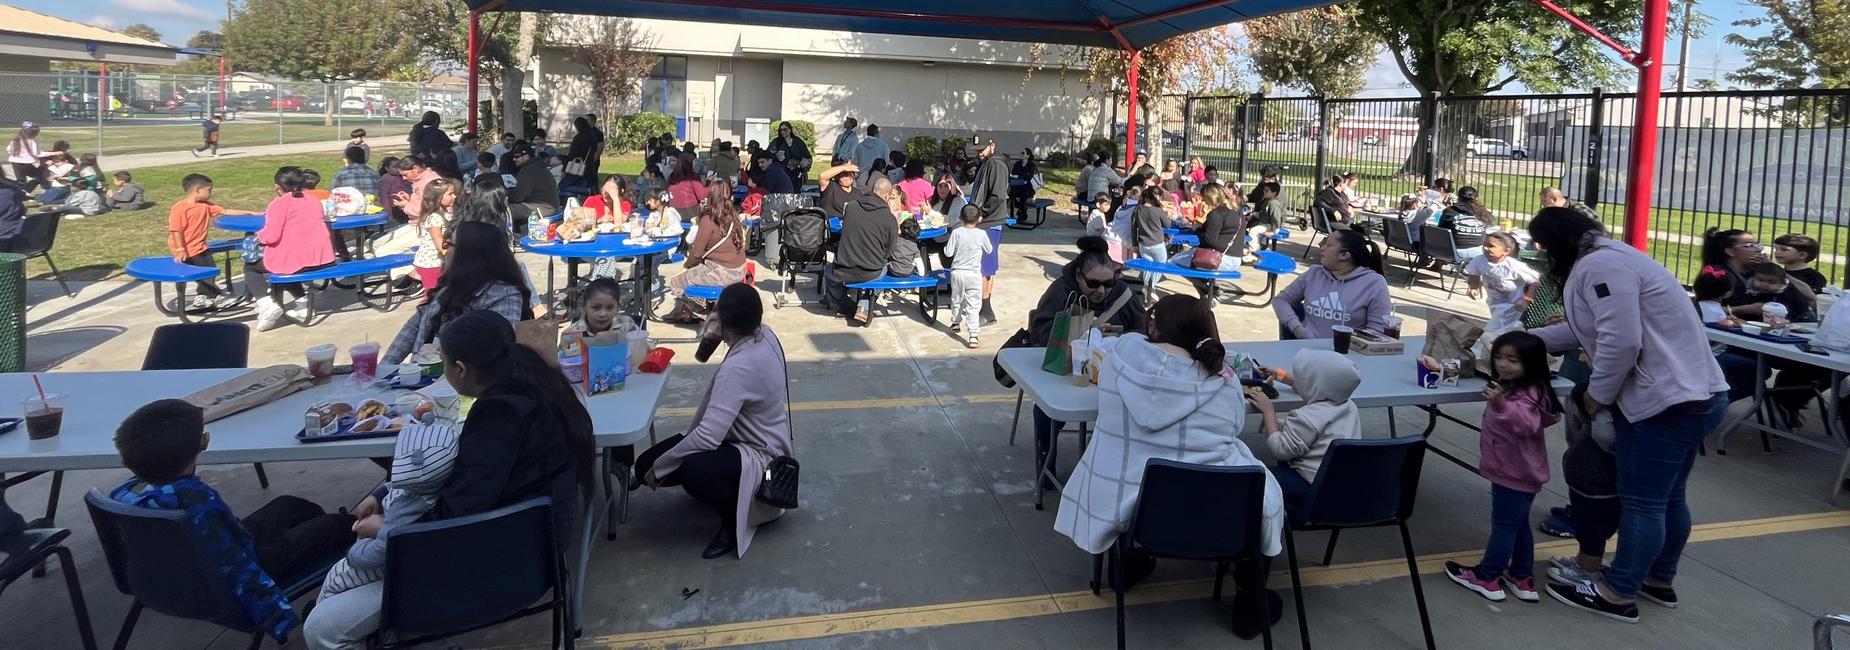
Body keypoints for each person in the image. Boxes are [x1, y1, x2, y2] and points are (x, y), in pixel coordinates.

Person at [307, 310, 592, 648]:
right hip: (531, 555)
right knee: (337, 592)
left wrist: (386, 530)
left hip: (497, 569)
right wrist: (386, 491)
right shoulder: (537, 390)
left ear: (460, 369)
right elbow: (451, 471)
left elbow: (456, 514)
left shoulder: (498, 418)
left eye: (443, 362)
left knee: (321, 627)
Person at [1523, 206, 1728, 623]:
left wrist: (1597, 396)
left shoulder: (1600, 266)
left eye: (1542, 249)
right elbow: (1593, 331)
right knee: (1668, 497)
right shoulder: (1613, 257)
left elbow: (1620, 342)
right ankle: (1657, 577)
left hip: (1664, 403)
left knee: (1643, 503)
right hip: (1696, 395)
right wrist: (1527, 340)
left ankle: (1617, 591)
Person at [1052, 295, 1284, 637]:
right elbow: (1235, 429)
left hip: (1132, 505)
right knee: (1263, 491)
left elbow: (1113, 346)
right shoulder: (1224, 379)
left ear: (1153, 325)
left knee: (1134, 475)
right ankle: (1250, 599)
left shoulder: (1122, 356)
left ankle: (1128, 563)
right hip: (1220, 511)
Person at [112, 399, 354, 644]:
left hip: (176, 570)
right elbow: (241, 570)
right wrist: (274, 614)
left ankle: (321, 554)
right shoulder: (197, 503)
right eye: (203, 440)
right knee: (336, 526)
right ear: (193, 452)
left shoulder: (125, 495)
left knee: (290, 506)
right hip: (227, 580)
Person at [634, 284, 792, 559]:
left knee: (690, 471)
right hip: (743, 436)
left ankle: (732, 521)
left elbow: (708, 437)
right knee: (643, 466)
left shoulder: (739, 367)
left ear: (725, 321)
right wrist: (715, 332)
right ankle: (720, 485)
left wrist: (663, 465)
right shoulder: (763, 334)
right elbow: (703, 356)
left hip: (760, 453)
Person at [1443, 331, 1562, 604]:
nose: (1503, 364)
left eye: (1512, 360)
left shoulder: (1526, 395)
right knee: (1519, 524)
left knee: (1504, 527)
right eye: (1498, 357)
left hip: (1514, 472)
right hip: (1522, 470)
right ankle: (1521, 576)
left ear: (1530, 364)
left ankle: (1487, 575)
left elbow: (1525, 424)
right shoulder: (1531, 388)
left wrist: (1499, 403)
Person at [1027, 237, 1146, 483]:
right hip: (1065, 372)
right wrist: (1083, 334)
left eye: (1108, 284)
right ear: (1079, 276)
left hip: (1112, 376)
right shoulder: (1061, 290)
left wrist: (1121, 335)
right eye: (1093, 284)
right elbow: (1040, 334)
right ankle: (1046, 465)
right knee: (1046, 410)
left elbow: (1146, 331)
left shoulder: (1124, 294)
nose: (1101, 291)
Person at [315, 419, 460, 602]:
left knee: (335, 578)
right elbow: (395, 486)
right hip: (382, 542)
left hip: (381, 566)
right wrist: (376, 496)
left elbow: (379, 551)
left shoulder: (409, 509)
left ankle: (321, 605)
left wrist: (356, 547)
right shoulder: (426, 484)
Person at [385, 221, 531, 362]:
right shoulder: (447, 288)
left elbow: (496, 348)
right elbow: (413, 327)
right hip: (421, 375)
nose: (445, 251)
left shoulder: (504, 296)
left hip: (462, 381)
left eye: (449, 245)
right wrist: (384, 368)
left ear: (469, 254)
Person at [1248, 349, 1360, 510]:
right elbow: (1311, 386)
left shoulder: (1307, 418)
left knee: (1256, 481)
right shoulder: (1348, 405)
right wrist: (1279, 375)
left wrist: (1269, 412)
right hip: (1339, 483)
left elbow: (1280, 450)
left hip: (1309, 487)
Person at [247, 167, 337, 330]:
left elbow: (271, 236)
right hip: (323, 257)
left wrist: (257, 236)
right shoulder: (313, 200)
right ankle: (302, 303)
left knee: (252, 267)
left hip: (295, 259)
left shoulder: (279, 204)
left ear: (277, 187)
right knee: (287, 266)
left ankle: (266, 303)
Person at [1274, 229, 1392, 339]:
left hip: (1348, 355)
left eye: (1329, 245)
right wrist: (1297, 328)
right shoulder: (1314, 273)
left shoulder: (1374, 283)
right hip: (1306, 349)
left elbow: (1376, 333)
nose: (1322, 248)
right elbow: (1281, 300)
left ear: (1344, 255)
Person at [664, 180, 749, 323]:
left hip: (722, 272)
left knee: (676, 282)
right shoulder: (733, 215)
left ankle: (708, 316)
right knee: (695, 274)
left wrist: (687, 267)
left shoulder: (708, 219)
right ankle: (699, 311)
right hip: (739, 268)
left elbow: (696, 253)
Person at [826, 177, 901, 324]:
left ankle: (848, 306)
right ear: (887, 195)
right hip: (872, 270)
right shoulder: (889, 218)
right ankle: (865, 301)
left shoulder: (851, 208)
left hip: (844, 268)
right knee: (884, 268)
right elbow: (890, 249)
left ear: (872, 190)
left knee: (828, 274)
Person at [1692, 267, 1760, 403]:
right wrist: (1736, 323)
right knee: (1759, 370)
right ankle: (1721, 398)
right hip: (1714, 354)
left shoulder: (1693, 305)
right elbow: (1725, 327)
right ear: (1727, 293)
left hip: (1696, 353)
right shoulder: (1717, 311)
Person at [966, 136, 1012, 324]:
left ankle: (986, 310)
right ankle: (982, 307)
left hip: (989, 222)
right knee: (982, 266)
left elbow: (998, 195)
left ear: (993, 145)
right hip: (985, 221)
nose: (979, 152)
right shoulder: (988, 162)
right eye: (977, 149)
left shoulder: (996, 164)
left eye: (982, 148)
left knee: (987, 267)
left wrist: (981, 213)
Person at [945, 204, 993, 347]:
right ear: (979, 219)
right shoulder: (981, 234)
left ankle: (955, 322)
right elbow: (989, 250)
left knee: (957, 299)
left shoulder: (957, 233)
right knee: (973, 305)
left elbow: (948, 252)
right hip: (973, 274)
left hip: (957, 273)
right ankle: (973, 335)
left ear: (961, 218)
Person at [1176, 182, 1245, 271]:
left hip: (1219, 260)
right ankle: (1204, 283)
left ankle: (1202, 283)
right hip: (1236, 261)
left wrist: (1197, 230)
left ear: (1212, 198)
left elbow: (1209, 240)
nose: (1204, 202)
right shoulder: (1238, 212)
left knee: (1174, 260)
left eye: (1205, 199)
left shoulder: (1216, 213)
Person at [1465, 232, 1541, 311]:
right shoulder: (1480, 260)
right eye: (1484, 245)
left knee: (1494, 323)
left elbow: (1536, 281)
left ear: (1506, 251)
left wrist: (1526, 299)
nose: (1485, 248)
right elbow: (1474, 275)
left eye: (1491, 246)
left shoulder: (1514, 267)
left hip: (1515, 307)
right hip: (1494, 306)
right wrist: (1473, 287)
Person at [412, 178, 456, 293]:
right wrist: (454, 257)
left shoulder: (445, 213)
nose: (454, 196)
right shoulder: (434, 217)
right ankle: (425, 311)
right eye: (450, 194)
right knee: (431, 295)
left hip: (440, 262)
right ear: (438, 197)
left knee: (441, 293)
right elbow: (439, 243)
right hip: (431, 263)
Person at [507, 143, 560, 229]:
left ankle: (511, 237)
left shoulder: (527, 170)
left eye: (517, 157)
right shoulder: (540, 167)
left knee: (505, 209)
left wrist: (507, 199)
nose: (514, 159)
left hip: (541, 208)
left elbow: (520, 196)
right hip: (553, 206)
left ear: (526, 157)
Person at [571, 277, 641, 337]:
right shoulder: (574, 332)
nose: (603, 314)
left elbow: (643, 348)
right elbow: (564, 351)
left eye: (610, 308)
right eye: (596, 307)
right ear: (584, 307)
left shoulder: (626, 325)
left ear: (618, 308)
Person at [1130, 186, 1172, 285]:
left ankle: (1146, 287)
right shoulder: (1158, 210)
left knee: (1147, 267)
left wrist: (1134, 244)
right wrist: (1167, 214)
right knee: (1160, 266)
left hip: (1143, 244)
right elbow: (1168, 225)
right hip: (1157, 243)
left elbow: (1133, 228)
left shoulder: (1137, 210)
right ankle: (1152, 287)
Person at [1437, 185, 1489, 259]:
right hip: (1479, 253)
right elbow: (1491, 224)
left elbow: (1440, 230)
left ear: (1458, 198)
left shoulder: (1450, 211)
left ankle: (1437, 264)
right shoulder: (1482, 212)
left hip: (1452, 252)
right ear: (1476, 198)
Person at [770, 121, 812, 189]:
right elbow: (768, 154)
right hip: (781, 171)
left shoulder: (798, 142)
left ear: (790, 130)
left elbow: (807, 157)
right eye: (781, 130)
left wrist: (802, 164)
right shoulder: (776, 142)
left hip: (796, 172)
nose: (783, 132)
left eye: (785, 129)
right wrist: (776, 156)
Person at [6, 122, 47, 192]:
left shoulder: (16, 140)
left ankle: (20, 192)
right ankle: (27, 189)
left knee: (21, 179)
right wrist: (53, 153)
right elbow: (37, 154)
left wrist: (16, 155)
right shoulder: (31, 141)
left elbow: (9, 149)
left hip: (14, 162)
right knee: (39, 174)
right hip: (25, 163)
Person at [1008, 149, 1038, 221]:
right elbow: (1013, 174)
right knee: (1012, 196)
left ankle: (1021, 213)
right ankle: (1020, 211)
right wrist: (1020, 178)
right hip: (1017, 186)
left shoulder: (1031, 165)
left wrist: (1021, 177)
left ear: (1028, 156)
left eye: (1023, 153)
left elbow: (1029, 177)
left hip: (1027, 187)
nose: (1021, 154)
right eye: (1021, 153)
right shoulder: (1017, 164)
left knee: (1024, 197)